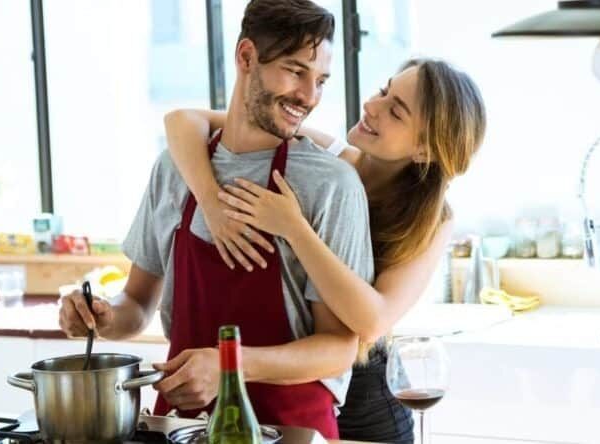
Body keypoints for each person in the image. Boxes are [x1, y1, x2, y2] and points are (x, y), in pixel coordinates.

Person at [58, 0, 374, 440]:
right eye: (295, 70)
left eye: (319, 80)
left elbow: (339, 348)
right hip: (183, 427)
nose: (309, 95)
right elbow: (136, 306)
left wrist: (229, 365)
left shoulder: (330, 184)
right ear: (247, 57)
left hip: (291, 430)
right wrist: (101, 317)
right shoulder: (176, 168)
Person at [164, 57, 487, 443]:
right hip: (292, 388)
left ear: (424, 150)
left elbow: (372, 321)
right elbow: (182, 121)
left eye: (395, 111)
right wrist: (211, 202)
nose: (372, 105)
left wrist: (295, 228)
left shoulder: (433, 221)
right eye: (384, 91)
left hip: (366, 404)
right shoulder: (325, 156)